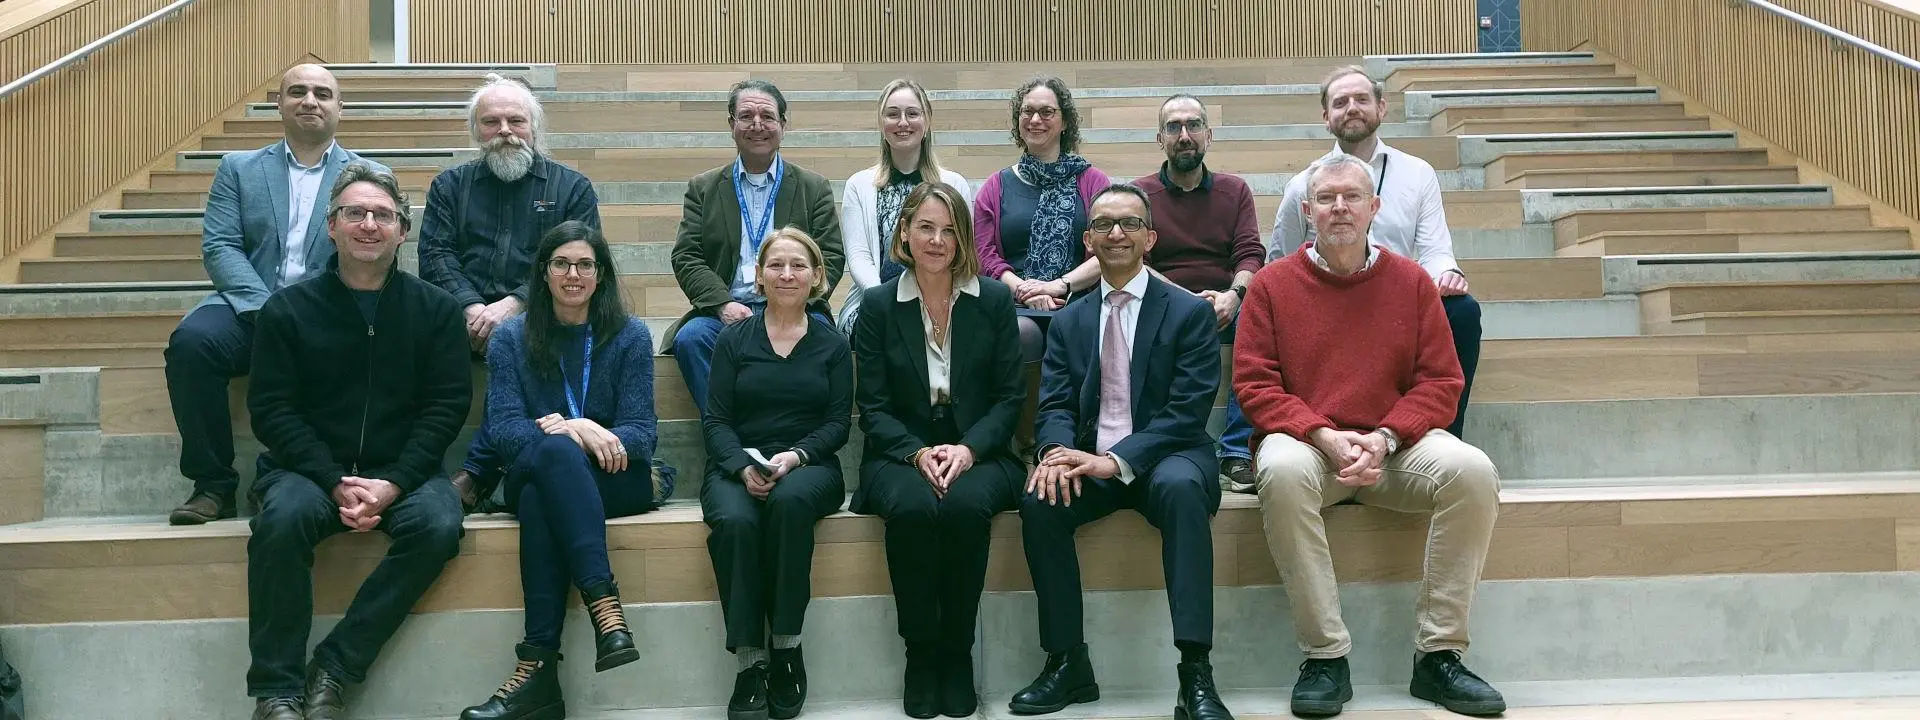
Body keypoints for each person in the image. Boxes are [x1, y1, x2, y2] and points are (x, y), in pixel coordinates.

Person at [1238, 155, 1505, 718]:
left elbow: (1441, 382)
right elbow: (1256, 387)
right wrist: (1324, 437)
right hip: (1311, 447)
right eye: (1327, 199)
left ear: (1375, 208)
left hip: (1395, 449)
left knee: (1473, 471)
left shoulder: (1410, 281)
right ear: (1306, 211)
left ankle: (1439, 657)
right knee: (1281, 469)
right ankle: (1325, 656)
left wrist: (1384, 438)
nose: (1340, 208)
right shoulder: (1271, 285)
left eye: (1352, 197)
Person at [243, 161, 470, 720]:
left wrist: (393, 482)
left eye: (383, 215)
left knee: (440, 525)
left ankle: (337, 667)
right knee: (280, 522)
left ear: (403, 230)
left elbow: (445, 409)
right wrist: (331, 480)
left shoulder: (438, 312)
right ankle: (277, 690)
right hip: (307, 472)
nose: (369, 224)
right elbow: (272, 409)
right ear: (332, 226)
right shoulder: (287, 310)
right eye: (355, 213)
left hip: (404, 471)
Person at [1009, 185, 1233, 720]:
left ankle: (1195, 673)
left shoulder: (1187, 312)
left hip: (1169, 455)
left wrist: (1117, 461)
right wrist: (1057, 452)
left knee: (1181, 491)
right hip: (1092, 458)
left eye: (1130, 224)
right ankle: (1068, 662)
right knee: (1040, 501)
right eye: (1105, 224)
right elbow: (1056, 403)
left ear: (1150, 238)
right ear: (1088, 240)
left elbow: (1186, 412)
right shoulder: (1068, 321)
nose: (1116, 234)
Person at [459, 221, 661, 720]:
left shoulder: (630, 335)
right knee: (554, 458)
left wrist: (582, 428)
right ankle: (604, 607)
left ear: (601, 274)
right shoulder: (511, 338)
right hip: (541, 464)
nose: (574, 274)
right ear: (544, 273)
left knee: (539, 499)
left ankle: (537, 672)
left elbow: (642, 435)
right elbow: (505, 431)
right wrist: (573, 432)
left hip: (616, 480)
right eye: (561, 264)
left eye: (585, 264)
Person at [166, 64, 381, 525]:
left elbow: (371, 254)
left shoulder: (366, 175)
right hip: (249, 307)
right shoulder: (238, 169)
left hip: (326, 313)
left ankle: (287, 480)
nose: (310, 100)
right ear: (279, 104)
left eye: (323, 93)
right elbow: (220, 246)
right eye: (297, 91)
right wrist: (269, 311)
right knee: (191, 344)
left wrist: (303, 318)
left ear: (339, 108)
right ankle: (213, 485)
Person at [848, 183, 1022, 719]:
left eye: (949, 230)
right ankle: (920, 653)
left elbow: (1010, 397)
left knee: (967, 508)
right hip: (898, 447)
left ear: (964, 238)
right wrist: (916, 454)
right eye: (926, 227)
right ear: (904, 232)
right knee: (915, 508)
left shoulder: (992, 299)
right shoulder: (879, 305)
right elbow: (872, 409)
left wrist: (968, 450)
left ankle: (957, 653)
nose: (937, 239)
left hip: (981, 445)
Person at [420, 74, 603, 510]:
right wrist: (470, 307)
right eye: (491, 122)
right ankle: (416, 467)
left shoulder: (571, 189)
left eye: (515, 121)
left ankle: (477, 472)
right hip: (460, 317)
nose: (504, 131)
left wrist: (516, 303)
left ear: (534, 127)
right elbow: (435, 256)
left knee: (516, 336)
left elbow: (578, 261)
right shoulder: (449, 187)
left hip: (543, 313)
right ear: (475, 131)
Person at [1270, 66, 1481, 439]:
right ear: (1326, 118)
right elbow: (1281, 262)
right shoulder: (1302, 184)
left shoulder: (1418, 173)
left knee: (1462, 312)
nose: (1351, 108)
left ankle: (1441, 436)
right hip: (1325, 301)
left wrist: (1445, 273)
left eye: (1362, 99)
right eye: (1340, 102)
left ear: (1382, 108)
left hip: (1396, 302)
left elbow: (1434, 251)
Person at [699, 228, 853, 720]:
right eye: (776, 265)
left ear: (817, 277)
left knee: (789, 504)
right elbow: (716, 420)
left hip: (810, 466)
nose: (787, 274)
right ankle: (750, 663)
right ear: (759, 277)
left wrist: (797, 457)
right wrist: (743, 465)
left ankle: (786, 649)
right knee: (736, 523)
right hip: (735, 463)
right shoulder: (732, 339)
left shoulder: (832, 344)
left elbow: (836, 424)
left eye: (798, 265)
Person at [1133, 94, 1265, 493]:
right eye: (1174, 127)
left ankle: (1237, 452)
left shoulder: (1234, 190)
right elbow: (1136, 261)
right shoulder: (1140, 194)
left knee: (1261, 316)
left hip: (1225, 302)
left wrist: (1234, 295)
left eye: (1193, 126)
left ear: (1208, 134)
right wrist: (1187, 301)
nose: (1184, 135)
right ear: (1160, 138)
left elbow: (1250, 254)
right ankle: (1148, 444)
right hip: (1161, 299)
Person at [972, 76, 1113, 362]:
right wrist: (1024, 290)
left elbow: (1110, 248)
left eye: (1047, 112)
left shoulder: (1094, 182)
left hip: (1079, 298)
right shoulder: (995, 186)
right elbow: (984, 255)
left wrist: (1058, 285)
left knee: (1079, 329)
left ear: (1064, 122)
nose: (1036, 119)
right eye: (1028, 111)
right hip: (1012, 302)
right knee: (1023, 333)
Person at [838, 79, 974, 333]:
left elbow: (962, 251)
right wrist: (887, 302)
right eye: (893, 114)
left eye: (912, 113)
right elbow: (859, 259)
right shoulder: (858, 185)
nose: (902, 122)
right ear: (881, 123)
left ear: (927, 121)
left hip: (944, 300)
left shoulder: (955, 184)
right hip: (874, 303)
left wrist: (932, 303)